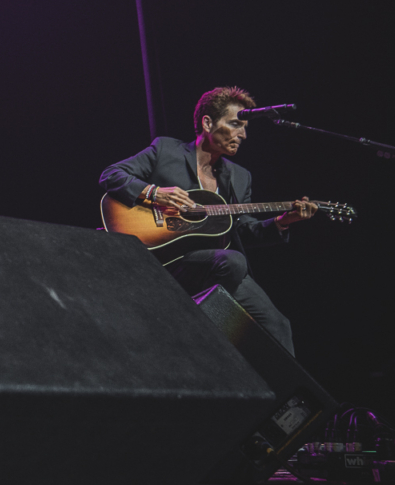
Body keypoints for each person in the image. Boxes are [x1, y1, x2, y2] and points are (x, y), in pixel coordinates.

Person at [99, 87, 318, 354]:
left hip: (213, 265)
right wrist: (154, 193)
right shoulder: (166, 150)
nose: (243, 135)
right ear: (207, 123)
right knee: (233, 261)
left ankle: (290, 396)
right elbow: (112, 174)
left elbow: (243, 230)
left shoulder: (239, 177)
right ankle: (189, 326)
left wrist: (284, 221)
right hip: (159, 259)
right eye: (235, 124)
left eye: (245, 127)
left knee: (277, 324)